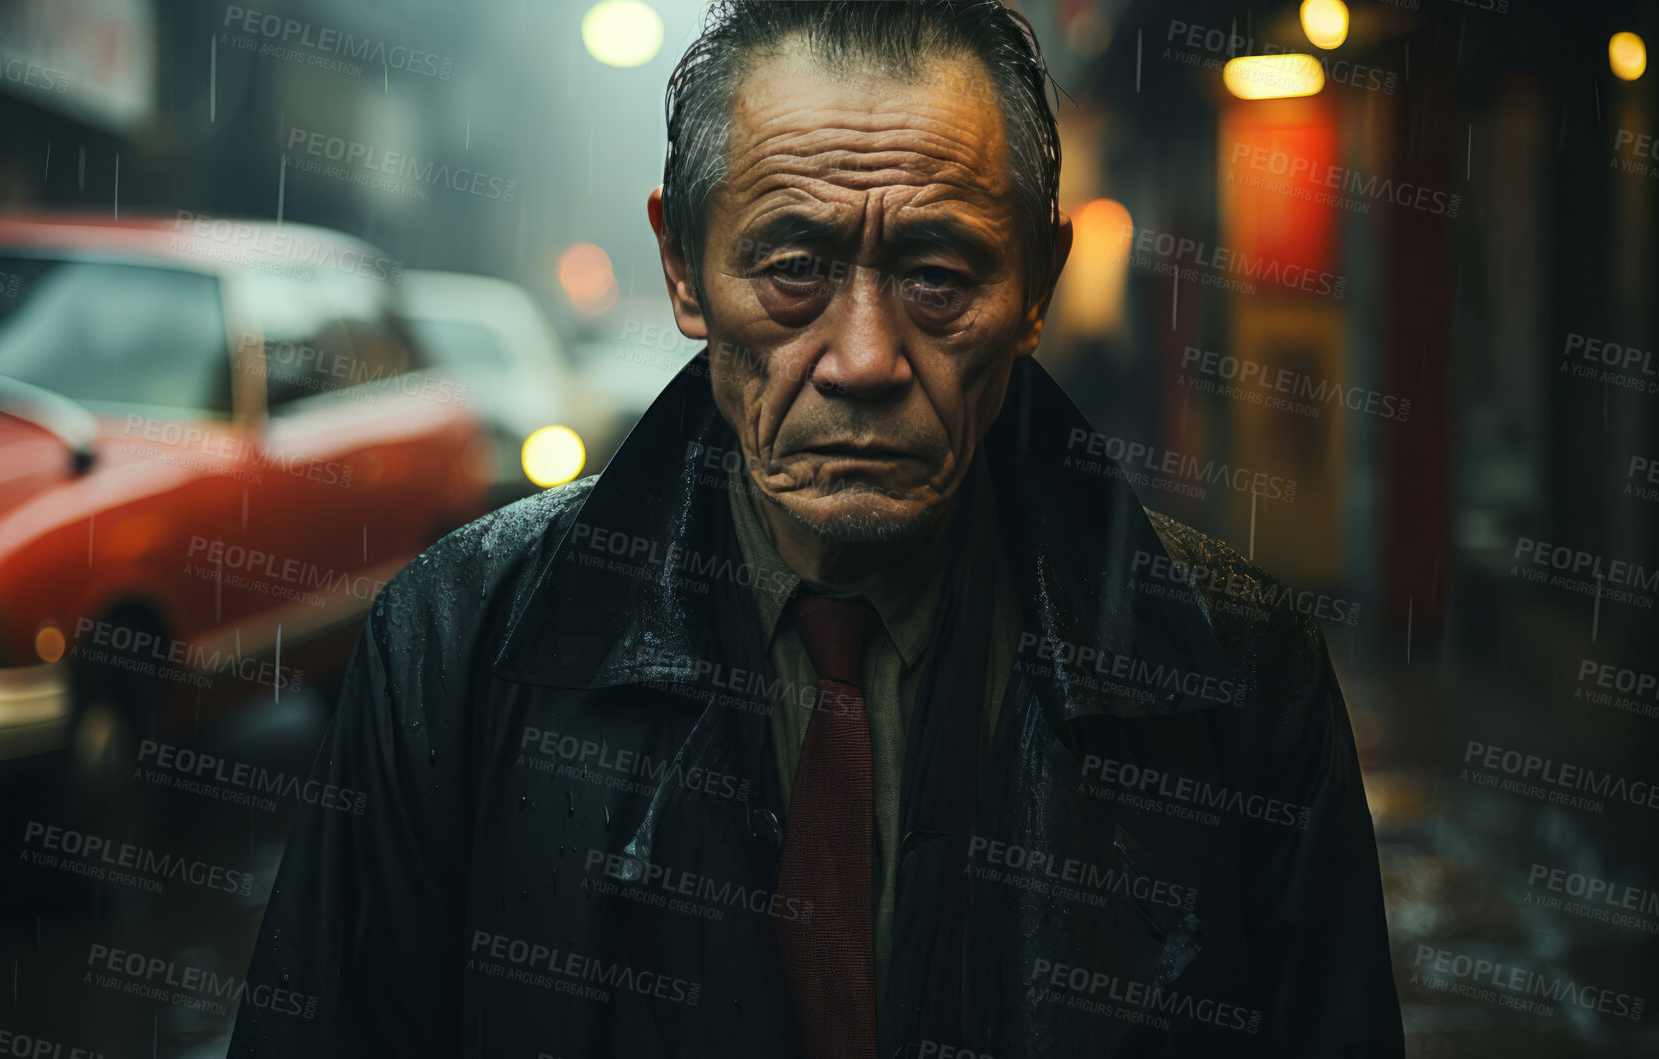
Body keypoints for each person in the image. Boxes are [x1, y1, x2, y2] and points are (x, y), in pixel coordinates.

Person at [229, 2, 1403, 1056]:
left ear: (1038, 281)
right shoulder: (457, 646)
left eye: (938, 276)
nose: (863, 360)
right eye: (793, 270)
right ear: (683, 267)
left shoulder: (1236, 675)